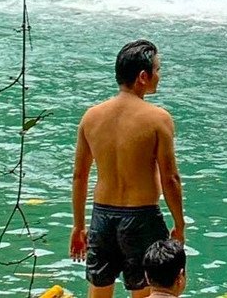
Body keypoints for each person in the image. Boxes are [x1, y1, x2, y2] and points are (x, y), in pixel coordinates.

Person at [70, 40, 185, 297]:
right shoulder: (158, 118)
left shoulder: (91, 117)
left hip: (102, 218)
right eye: (157, 70)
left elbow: (79, 176)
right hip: (142, 217)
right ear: (143, 77)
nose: (160, 75)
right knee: (147, 290)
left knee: (99, 291)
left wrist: (78, 226)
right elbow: (170, 179)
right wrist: (179, 223)